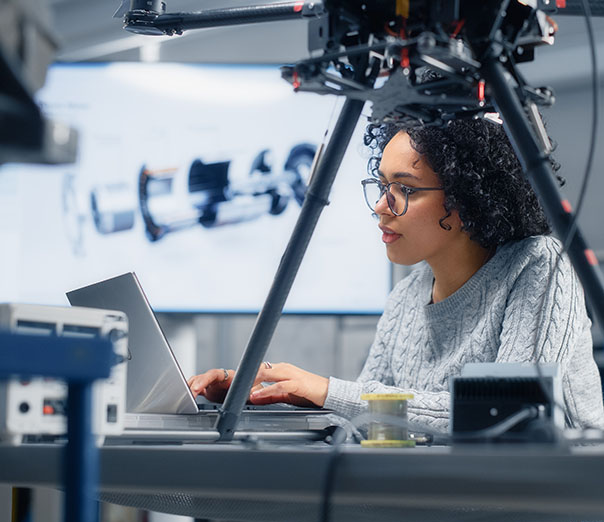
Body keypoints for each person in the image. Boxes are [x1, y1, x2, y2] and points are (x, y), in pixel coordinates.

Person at [187, 116, 604, 434]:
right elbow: (369, 415)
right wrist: (266, 394)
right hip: (464, 516)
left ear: (470, 197)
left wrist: (327, 390)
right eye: (382, 184)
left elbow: (512, 412)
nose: (382, 206)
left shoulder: (540, 265)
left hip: (558, 515)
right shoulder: (407, 297)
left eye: (407, 189)